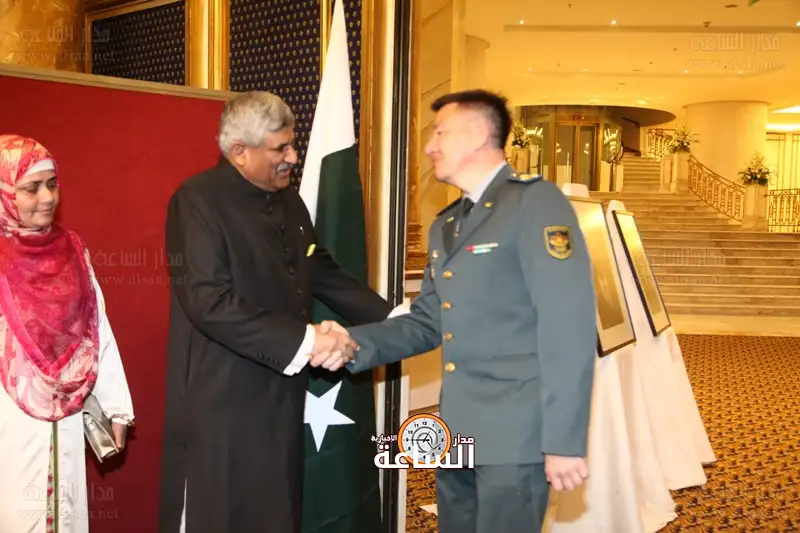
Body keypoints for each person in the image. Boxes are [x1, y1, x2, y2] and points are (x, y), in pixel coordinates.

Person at [312, 89, 598, 532]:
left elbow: (568, 325)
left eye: (440, 133)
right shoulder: (447, 224)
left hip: (515, 434)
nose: (430, 146)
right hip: (459, 431)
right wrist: (352, 342)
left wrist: (563, 440)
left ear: (479, 134)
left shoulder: (534, 204)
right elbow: (428, 321)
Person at [157, 91, 393, 533]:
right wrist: (307, 340)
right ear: (239, 152)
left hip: (283, 397)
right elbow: (208, 301)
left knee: (278, 513)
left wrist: (394, 318)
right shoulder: (196, 202)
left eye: (293, 144)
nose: (293, 157)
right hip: (224, 403)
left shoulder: (289, 201)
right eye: (280, 148)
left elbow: (319, 271)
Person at [0, 134, 135, 533]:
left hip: (69, 408)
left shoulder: (71, 249)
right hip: (10, 411)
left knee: (67, 509)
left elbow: (96, 326)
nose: (47, 198)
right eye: (31, 188)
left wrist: (116, 406)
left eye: (52, 184)